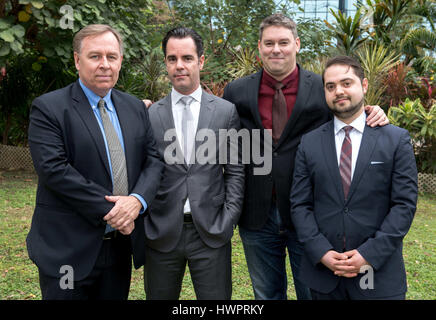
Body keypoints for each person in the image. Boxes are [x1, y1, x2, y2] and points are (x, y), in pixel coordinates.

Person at [222, 13, 388, 300]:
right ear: (259, 47)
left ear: (297, 44)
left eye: (284, 42)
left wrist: (373, 110)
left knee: (312, 292)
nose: (277, 49)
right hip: (256, 213)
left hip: (310, 213)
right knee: (266, 293)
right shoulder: (236, 92)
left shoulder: (321, 89)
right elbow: (219, 133)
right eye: (269, 43)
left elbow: (347, 110)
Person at [26, 24, 163, 300]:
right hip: (67, 250)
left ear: (120, 61)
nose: (104, 65)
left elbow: (154, 160)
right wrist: (117, 211)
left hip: (118, 249)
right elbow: (55, 170)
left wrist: (137, 201)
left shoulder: (134, 107)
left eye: (111, 57)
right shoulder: (49, 108)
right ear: (77, 60)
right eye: (95, 56)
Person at [290, 55, 418, 300]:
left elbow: (404, 205)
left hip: (377, 274)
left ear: (365, 85)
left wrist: (369, 254)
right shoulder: (310, 142)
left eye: (346, 83)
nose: (339, 91)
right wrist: (322, 252)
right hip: (324, 276)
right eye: (330, 86)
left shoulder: (395, 139)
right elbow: (300, 204)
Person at [144, 27, 244, 300]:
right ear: (165, 62)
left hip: (211, 232)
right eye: (172, 58)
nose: (179, 66)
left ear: (201, 61)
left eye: (187, 58)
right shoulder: (151, 114)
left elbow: (235, 170)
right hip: (162, 231)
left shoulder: (225, 111)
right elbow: (143, 169)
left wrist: (229, 217)